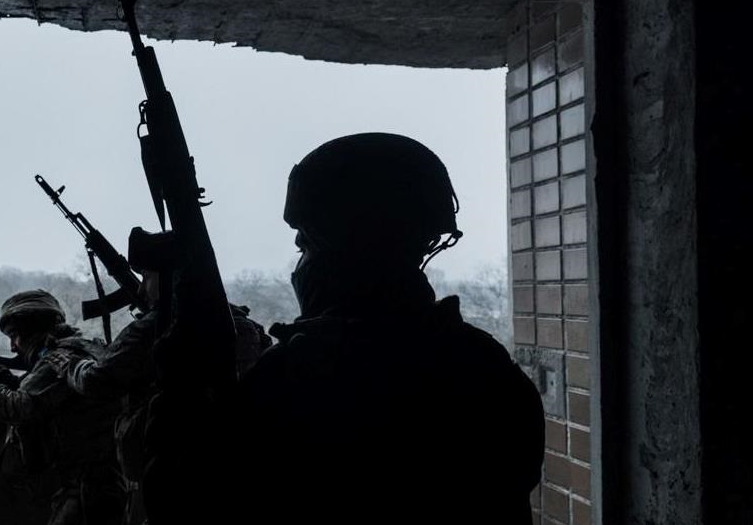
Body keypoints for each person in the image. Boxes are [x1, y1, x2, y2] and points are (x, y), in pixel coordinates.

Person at [152, 132, 544, 524]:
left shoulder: (294, 379)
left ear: (342, 249)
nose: (299, 267)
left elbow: (182, 500)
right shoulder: (486, 366)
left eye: (305, 247)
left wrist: (182, 391)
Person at [44, 273, 272, 525]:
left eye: (147, 277)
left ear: (170, 277)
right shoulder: (237, 322)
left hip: (168, 465)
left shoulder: (158, 325)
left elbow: (96, 382)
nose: (141, 289)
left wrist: (71, 365)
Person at [0, 289, 127, 525]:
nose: (12, 347)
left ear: (34, 330)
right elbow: (50, 400)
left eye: (15, 336)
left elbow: (18, 407)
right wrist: (8, 381)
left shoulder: (59, 358)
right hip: (95, 484)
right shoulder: (78, 349)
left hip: (86, 489)